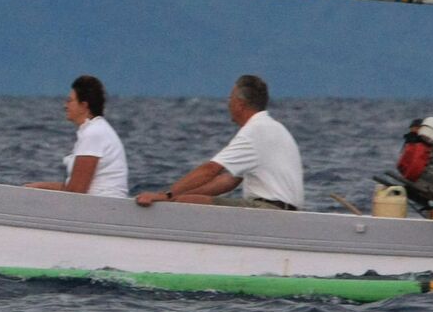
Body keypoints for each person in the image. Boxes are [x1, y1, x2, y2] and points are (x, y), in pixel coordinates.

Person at [136, 75, 303, 210]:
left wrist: (166, 196)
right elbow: (228, 180)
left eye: (230, 98)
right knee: (185, 199)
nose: (228, 103)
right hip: (287, 212)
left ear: (239, 105)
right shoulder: (275, 127)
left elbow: (210, 170)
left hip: (268, 210)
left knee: (183, 202)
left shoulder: (253, 131)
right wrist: (181, 195)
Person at [25, 75, 130, 198]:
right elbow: (74, 189)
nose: (65, 106)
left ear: (84, 105)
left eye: (70, 101)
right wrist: (40, 187)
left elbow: (76, 193)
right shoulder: (96, 129)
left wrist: (39, 189)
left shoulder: (93, 133)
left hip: (102, 207)